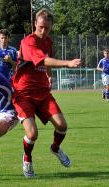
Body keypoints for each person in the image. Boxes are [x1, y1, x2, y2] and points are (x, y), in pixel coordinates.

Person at [12, 8, 82, 177]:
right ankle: (27, 158)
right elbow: (42, 59)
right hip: (23, 94)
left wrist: (49, 76)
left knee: (62, 126)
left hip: (43, 93)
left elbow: (47, 62)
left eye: (47, 28)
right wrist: (67, 63)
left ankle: (55, 148)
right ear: (35, 23)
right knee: (32, 134)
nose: (43, 31)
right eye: (41, 27)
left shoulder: (48, 42)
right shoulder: (28, 42)